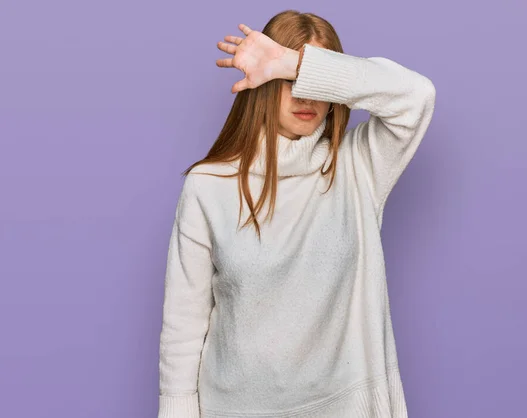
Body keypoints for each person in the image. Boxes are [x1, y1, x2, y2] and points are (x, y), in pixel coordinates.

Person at [157, 9, 436, 418]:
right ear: (264, 85)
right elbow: (183, 327)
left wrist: (291, 63)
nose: (305, 96)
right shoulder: (209, 185)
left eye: (313, 80)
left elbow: (417, 95)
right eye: (289, 83)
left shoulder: (358, 165)